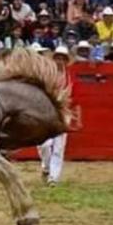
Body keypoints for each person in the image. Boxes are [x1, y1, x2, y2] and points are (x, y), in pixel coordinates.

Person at [38, 46, 71, 186]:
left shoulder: (69, 76)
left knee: (58, 147)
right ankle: (46, 168)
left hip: (62, 113)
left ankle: (53, 178)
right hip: (46, 112)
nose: (60, 61)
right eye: (58, 57)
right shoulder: (46, 74)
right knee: (44, 145)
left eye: (63, 58)